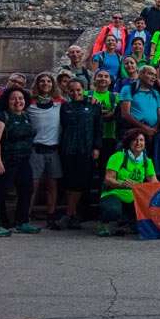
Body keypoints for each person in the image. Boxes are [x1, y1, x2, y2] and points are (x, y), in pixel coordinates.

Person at [0, 86, 40, 237]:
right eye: (13, 98)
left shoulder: (26, 116)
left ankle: (22, 222)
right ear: (7, 101)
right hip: (5, 160)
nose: (18, 101)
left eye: (21, 98)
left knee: (26, 189)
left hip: (23, 159)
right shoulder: (0, 117)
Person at [58, 79, 102, 229]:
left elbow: (98, 128)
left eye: (78, 90)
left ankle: (69, 214)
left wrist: (96, 147)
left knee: (79, 182)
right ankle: (73, 215)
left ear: (84, 89)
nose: (75, 93)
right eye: (72, 90)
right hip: (68, 149)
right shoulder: (65, 107)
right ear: (67, 92)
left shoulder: (93, 106)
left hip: (86, 149)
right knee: (70, 182)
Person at [98, 130, 159, 236]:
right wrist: (122, 184)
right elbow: (108, 179)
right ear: (129, 142)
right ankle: (104, 223)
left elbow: (154, 183)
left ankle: (126, 224)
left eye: (141, 140)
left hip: (135, 197)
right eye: (135, 140)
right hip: (115, 193)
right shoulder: (118, 156)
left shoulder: (147, 161)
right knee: (113, 210)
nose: (138, 143)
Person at [27, 72, 64, 229]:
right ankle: (25, 216)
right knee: (32, 186)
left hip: (53, 149)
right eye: (42, 81)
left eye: (49, 81)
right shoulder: (29, 103)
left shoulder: (60, 102)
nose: (45, 83)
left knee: (52, 185)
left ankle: (51, 216)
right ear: (37, 84)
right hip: (35, 149)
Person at [119, 65, 160, 144]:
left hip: (152, 135)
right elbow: (125, 114)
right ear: (140, 74)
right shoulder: (128, 89)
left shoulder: (156, 93)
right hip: (134, 133)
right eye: (150, 74)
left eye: (155, 75)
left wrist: (153, 129)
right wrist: (145, 128)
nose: (154, 78)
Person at [89, 69, 119, 186]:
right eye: (100, 76)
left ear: (110, 81)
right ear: (95, 79)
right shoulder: (87, 94)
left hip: (108, 136)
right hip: (90, 137)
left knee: (105, 168)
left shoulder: (114, 97)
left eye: (106, 76)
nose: (103, 78)